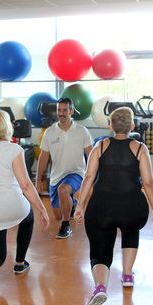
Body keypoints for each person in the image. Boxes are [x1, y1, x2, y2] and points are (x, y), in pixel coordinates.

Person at [73, 106, 153, 305]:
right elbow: (148, 182)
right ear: (132, 126)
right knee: (130, 228)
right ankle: (128, 275)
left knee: (100, 252)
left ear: (110, 125)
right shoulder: (140, 148)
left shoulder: (100, 146)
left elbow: (89, 177)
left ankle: (101, 287)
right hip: (133, 209)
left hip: (101, 209)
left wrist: (80, 206)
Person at [0, 109, 50, 298]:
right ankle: (20, 262)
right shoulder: (14, 150)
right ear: (7, 127)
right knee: (28, 218)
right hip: (13, 206)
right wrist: (41, 208)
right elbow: (25, 185)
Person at [36, 97, 93, 239]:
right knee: (57, 215)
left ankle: (66, 226)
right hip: (56, 176)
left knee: (63, 191)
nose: (61, 113)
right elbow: (43, 157)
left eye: (65, 110)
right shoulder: (50, 132)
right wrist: (38, 180)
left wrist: (93, 176)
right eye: (59, 110)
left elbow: (91, 154)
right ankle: (72, 203)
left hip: (77, 172)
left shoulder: (82, 131)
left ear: (71, 111)